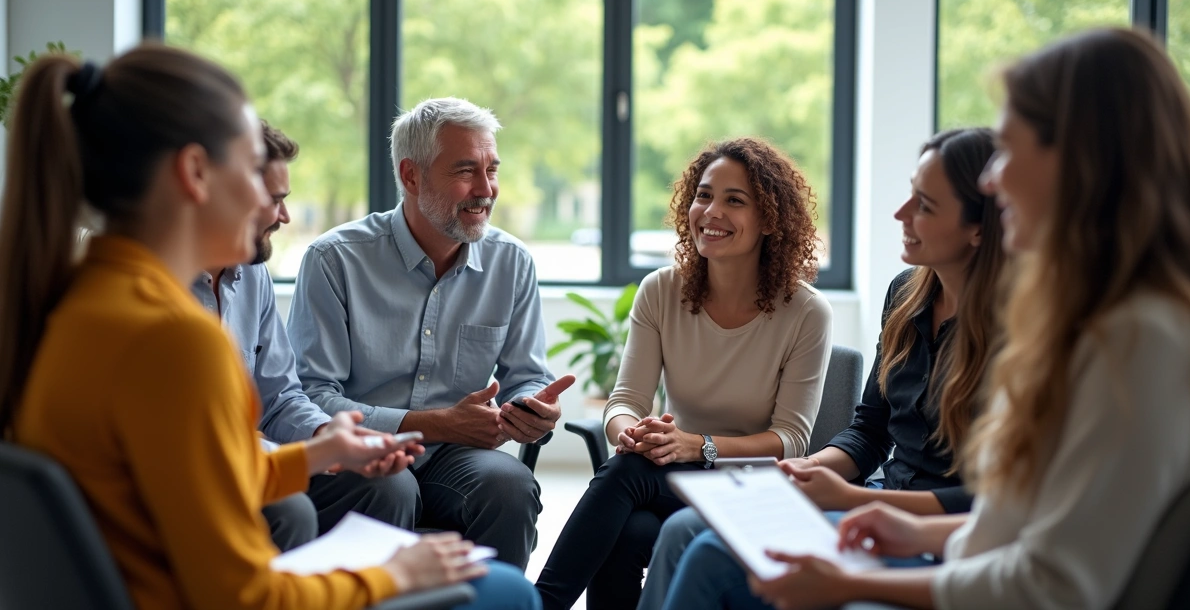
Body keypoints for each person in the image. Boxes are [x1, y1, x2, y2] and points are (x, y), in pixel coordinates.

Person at [0, 46, 538, 610]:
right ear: (196, 173)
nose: (270, 205)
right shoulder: (177, 340)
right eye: (251, 170)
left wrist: (312, 455)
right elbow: (245, 594)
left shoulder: (77, 298)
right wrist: (396, 574)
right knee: (508, 592)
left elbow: (198, 479)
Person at [747, 27, 1190, 610]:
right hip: (951, 558)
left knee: (724, 567)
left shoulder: (1138, 340)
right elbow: (1023, 522)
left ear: (1082, 164)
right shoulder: (1110, 323)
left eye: (1011, 150)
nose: (994, 180)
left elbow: (1053, 585)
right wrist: (914, 530)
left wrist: (851, 583)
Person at [646, 127, 1006, 609]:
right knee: (685, 532)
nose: (900, 213)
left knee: (711, 550)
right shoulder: (906, 294)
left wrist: (850, 499)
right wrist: (804, 471)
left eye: (925, 204)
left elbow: (998, 506)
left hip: (942, 534)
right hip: (882, 497)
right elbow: (871, 432)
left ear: (979, 226)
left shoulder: (1022, 332)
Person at [534, 137, 833, 610]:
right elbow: (626, 401)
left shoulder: (806, 312)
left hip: (751, 488)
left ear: (770, 219)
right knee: (632, 527)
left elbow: (791, 439)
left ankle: (540, 603)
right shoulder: (661, 291)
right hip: (669, 474)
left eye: (734, 200)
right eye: (704, 195)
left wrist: (699, 446)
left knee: (627, 481)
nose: (711, 211)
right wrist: (631, 433)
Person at [287, 97, 575, 570]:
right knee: (389, 485)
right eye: (466, 171)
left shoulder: (512, 262)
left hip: (455, 459)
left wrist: (531, 408)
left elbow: (525, 375)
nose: (486, 189)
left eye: (492, 170)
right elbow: (313, 396)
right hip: (358, 453)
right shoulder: (335, 259)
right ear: (411, 176)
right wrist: (435, 422)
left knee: (509, 485)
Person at [191, 119, 417, 551]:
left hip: (256, 459)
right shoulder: (155, 293)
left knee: (391, 487)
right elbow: (197, 443)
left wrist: (325, 437)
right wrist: (312, 455)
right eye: (273, 200)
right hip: (205, 474)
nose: (285, 217)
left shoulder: (253, 271)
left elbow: (278, 397)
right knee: (288, 507)